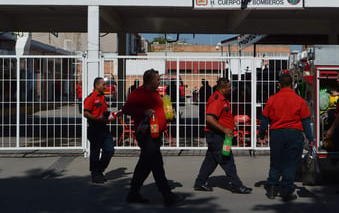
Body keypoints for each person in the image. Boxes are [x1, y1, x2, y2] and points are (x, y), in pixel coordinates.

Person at [122, 69, 185, 206]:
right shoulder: (138, 93)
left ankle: (134, 193)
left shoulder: (155, 93)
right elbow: (126, 109)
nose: (159, 81)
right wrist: (143, 112)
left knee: (146, 165)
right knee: (156, 165)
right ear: (150, 80)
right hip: (146, 134)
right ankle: (167, 196)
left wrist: (169, 115)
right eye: (157, 79)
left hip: (155, 134)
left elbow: (158, 110)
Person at [258, 73, 314, 201]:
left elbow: (265, 119)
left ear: (279, 85)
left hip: (277, 133)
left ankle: (272, 187)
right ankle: (287, 189)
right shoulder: (299, 100)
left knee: (276, 161)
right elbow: (305, 121)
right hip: (294, 134)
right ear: (292, 85)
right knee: (290, 163)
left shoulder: (272, 99)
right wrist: (310, 139)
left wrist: (261, 134)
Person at [194, 78, 252, 194]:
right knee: (227, 160)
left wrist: (231, 123)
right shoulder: (217, 100)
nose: (231, 90)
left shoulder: (223, 99)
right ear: (223, 88)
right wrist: (225, 129)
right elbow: (210, 119)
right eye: (229, 88)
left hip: (218, 135)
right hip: (216, 135)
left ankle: (200, 182)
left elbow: (222, 116)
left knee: (210, 160)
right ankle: (237, 185)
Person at [83, 77, 114, 184]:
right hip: (94, 128)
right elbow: (86, 113)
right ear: (97, 85)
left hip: (104, 127)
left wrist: (110, 117)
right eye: (103, 85)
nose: (105, 87)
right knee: (95, 152)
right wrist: (97, 119)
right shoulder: (91, 98)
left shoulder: (102, 97)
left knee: (109, 150)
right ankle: (95, 174)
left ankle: (99, 169)